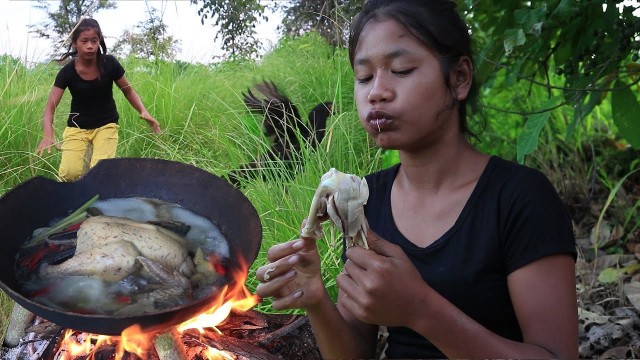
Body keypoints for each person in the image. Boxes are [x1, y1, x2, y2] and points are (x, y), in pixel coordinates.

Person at [254, 0, 579, 358]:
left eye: (402, 69)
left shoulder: (520, 198)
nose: (376, 91)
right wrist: (316, 300)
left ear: (459, 78)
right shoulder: (365, 198)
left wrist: (420, 309)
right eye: (364, 77)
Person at [36, 18, 161, 182]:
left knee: (100, 173)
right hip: (77, 127)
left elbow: (128, 91)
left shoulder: (110, 64)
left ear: (99, 41)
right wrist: (48, 135)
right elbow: (50, 107)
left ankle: (96, 204)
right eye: (84, 41)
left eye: (94, 41)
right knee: (69, 175)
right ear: (75, 43)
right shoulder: (67, 72)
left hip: (106, 125)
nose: (90, 46)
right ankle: (73, 203)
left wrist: (143, 110)